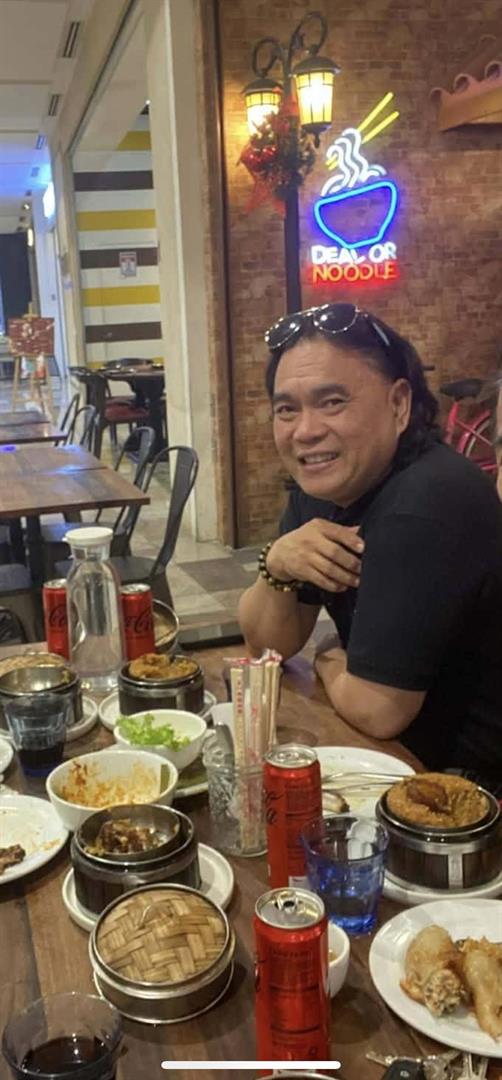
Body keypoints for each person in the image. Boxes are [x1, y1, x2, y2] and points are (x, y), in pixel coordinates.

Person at [238, 303, 502, 780]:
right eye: (286, 409)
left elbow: (378, 709)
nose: (306, 431)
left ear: (398, 405)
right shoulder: (325, 488)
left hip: (466, 788)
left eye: (332, 402)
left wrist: (327, 660)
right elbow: (268, 646)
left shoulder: (428, 502)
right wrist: (276, 563)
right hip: (399, 758)